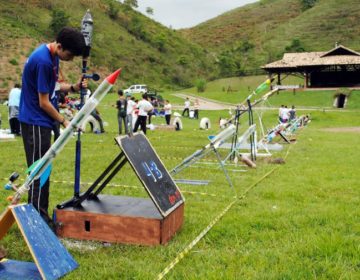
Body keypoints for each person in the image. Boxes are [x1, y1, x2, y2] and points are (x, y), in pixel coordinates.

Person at [18, 27, 86, 226]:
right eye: (70, 55)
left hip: (43, 121)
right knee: (39, 171)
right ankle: (37, 220)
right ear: (59, 46)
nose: (71, 59)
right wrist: (65, 121)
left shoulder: (53, 57)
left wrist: (73, 87)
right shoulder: (43, 61)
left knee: (44, 168)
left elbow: (54, 87)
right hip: (36, 122)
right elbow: (44, 102)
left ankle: (41, 214)